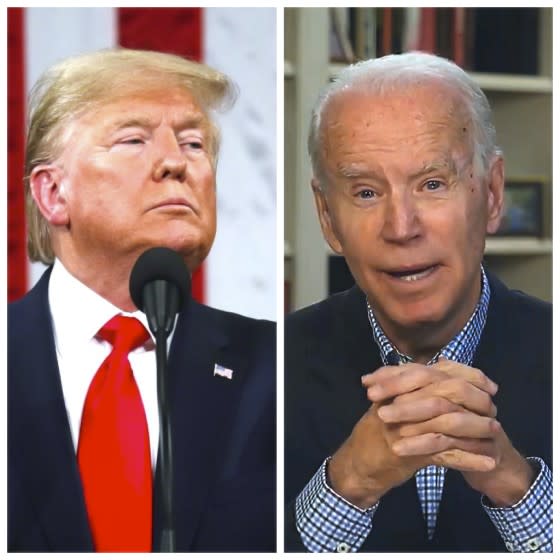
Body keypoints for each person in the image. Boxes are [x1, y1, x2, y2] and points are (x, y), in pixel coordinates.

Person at [8, 48, 275, 552]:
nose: (176, 162)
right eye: (133, 139)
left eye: (194, 143)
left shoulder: (277, 367)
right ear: (53, 194)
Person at [285, 52, 551, 553]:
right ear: (326, 217)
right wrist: (349, 483)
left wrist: (515, 485)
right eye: (365, 192)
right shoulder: (265, 369)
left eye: (432, 185)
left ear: (492, 195)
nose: (401, 227)